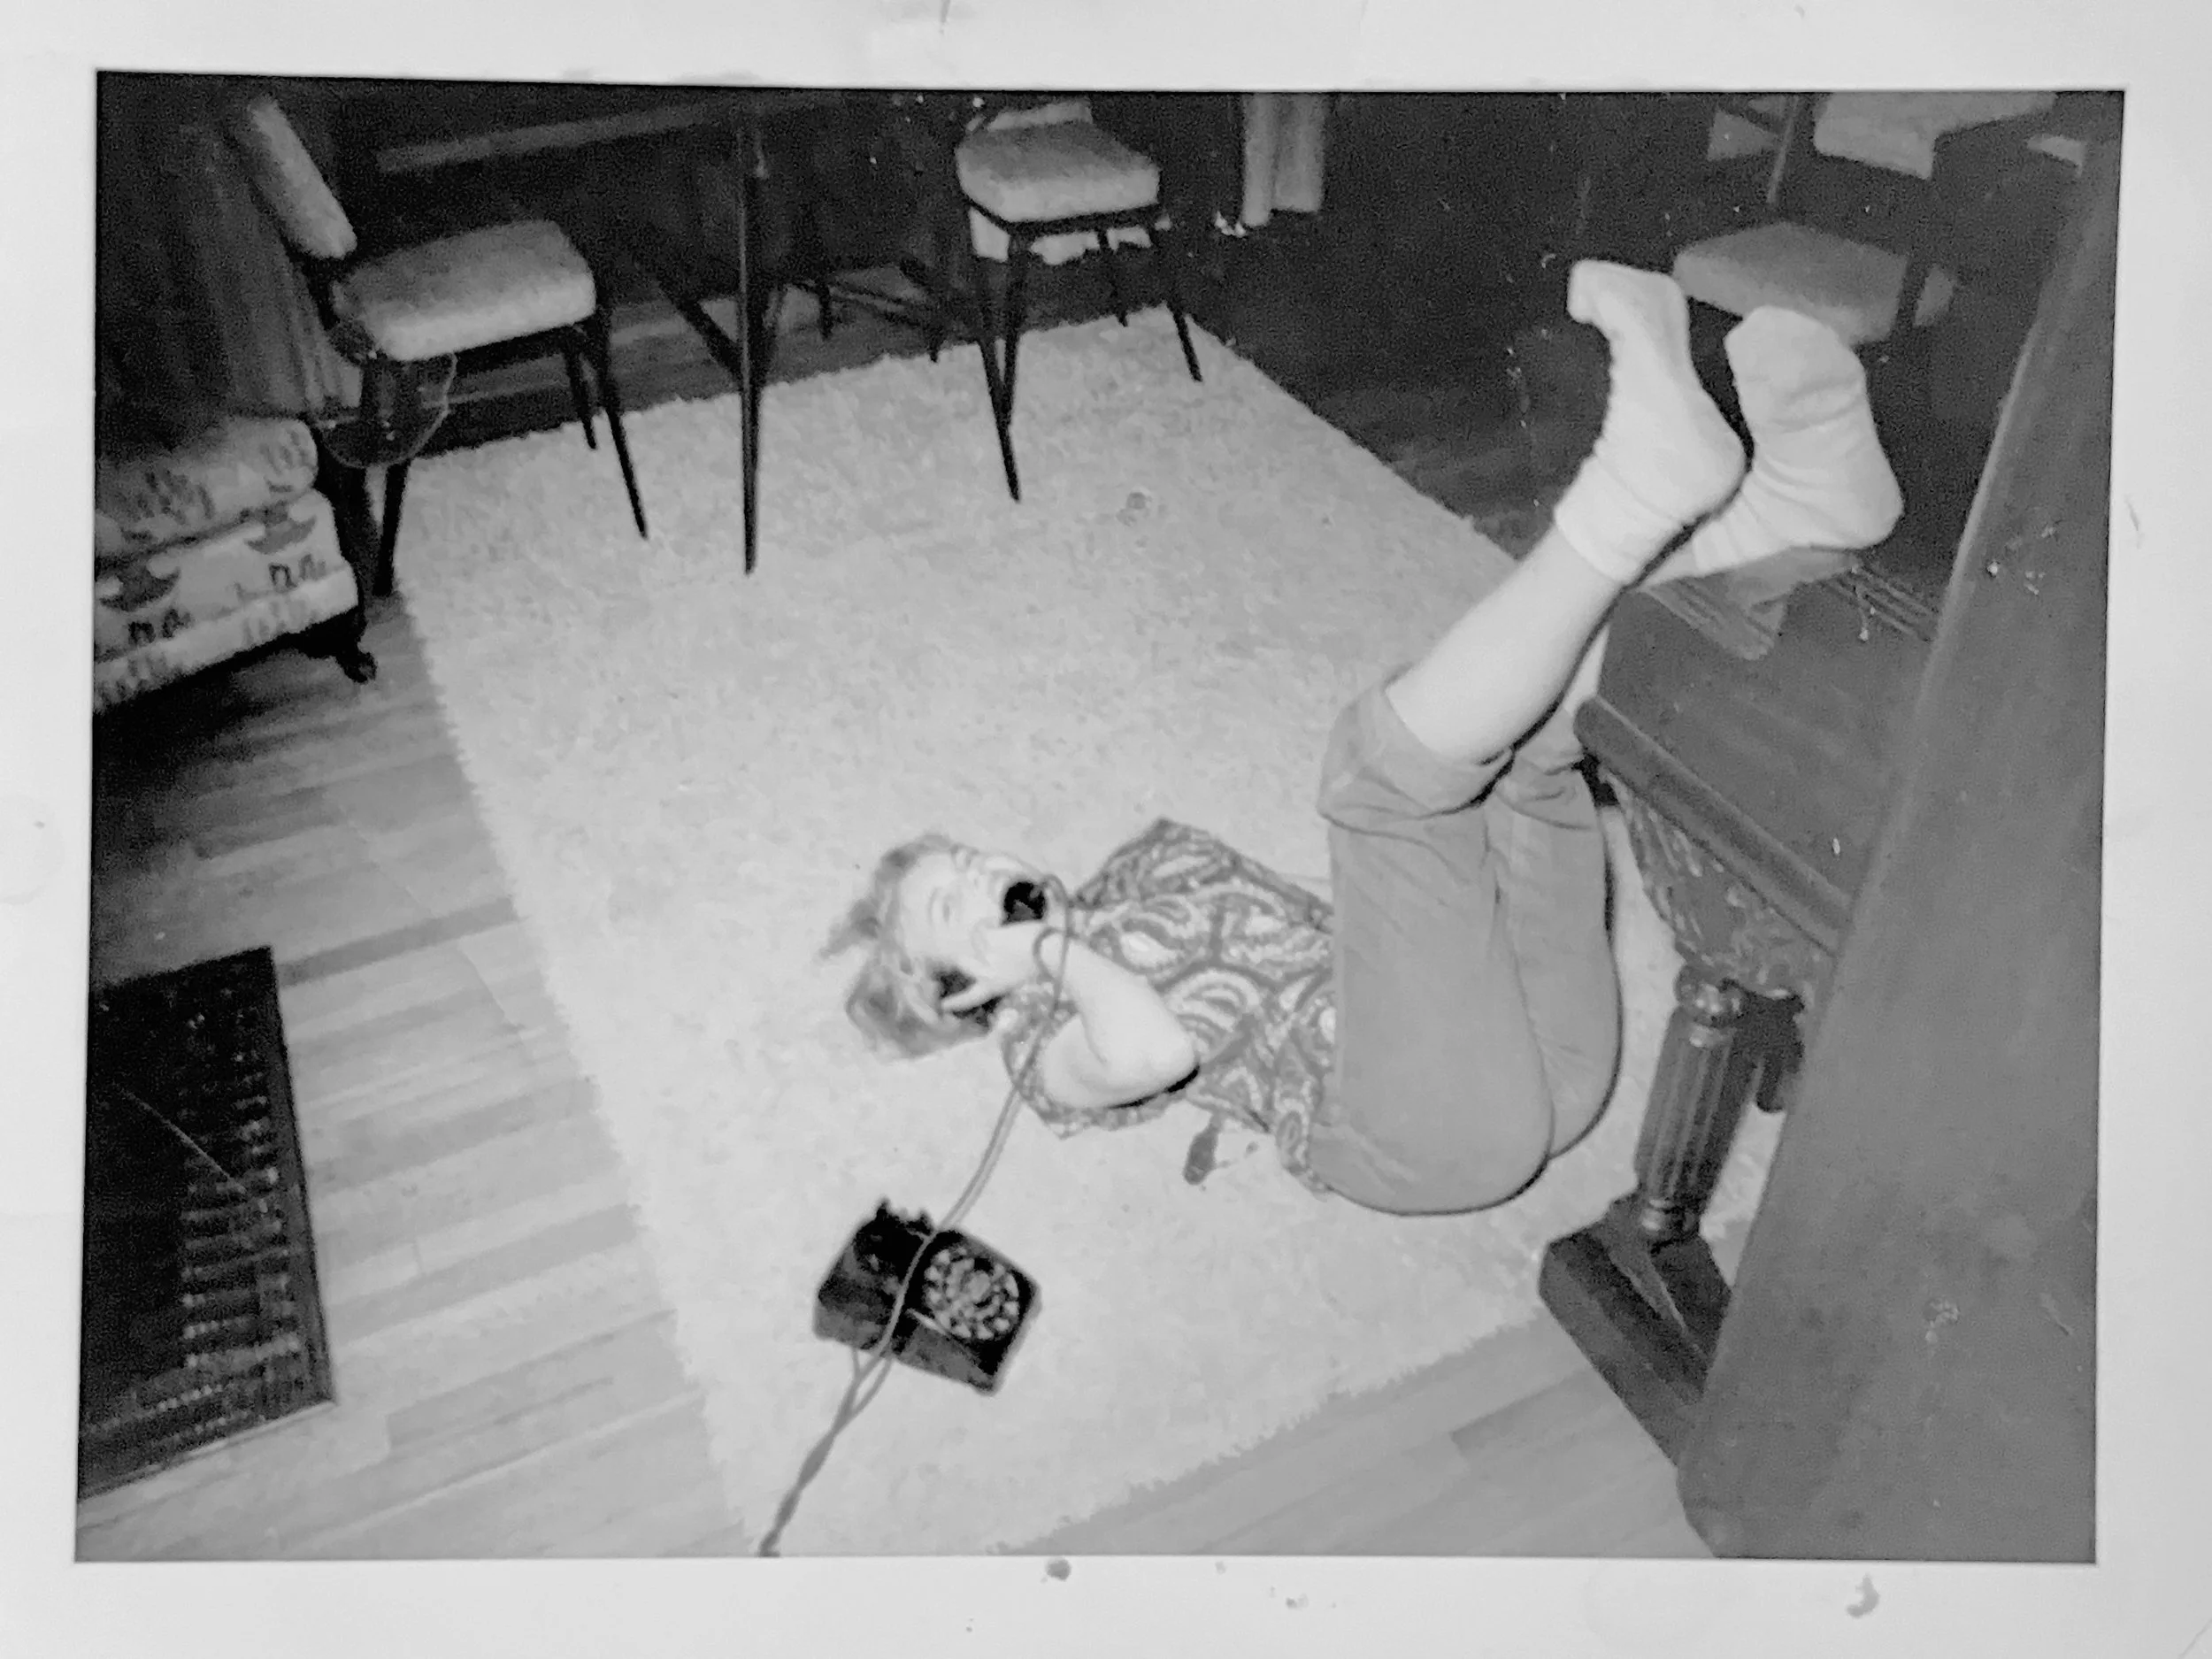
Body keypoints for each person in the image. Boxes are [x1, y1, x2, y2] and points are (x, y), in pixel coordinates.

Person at [823, 262, 1903, 1215]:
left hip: (1532, 1053)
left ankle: (1787, 522)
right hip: (1423, 1140)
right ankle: (1640, 490)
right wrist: (1054, 953)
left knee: (1520, 744)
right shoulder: (1039, 1047)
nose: (985, 875)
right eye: (956, 909)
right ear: (962, 991)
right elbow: (1151, 1051)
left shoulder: (1139, 875)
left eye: (967, 860)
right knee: (1376, 778)